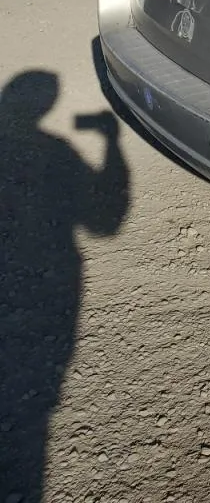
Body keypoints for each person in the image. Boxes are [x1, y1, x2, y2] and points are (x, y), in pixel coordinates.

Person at [0, 71, 130, 502]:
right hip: (43, 313)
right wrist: (112, 143)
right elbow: (106, 222)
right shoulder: (58, 152)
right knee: (31, 428)